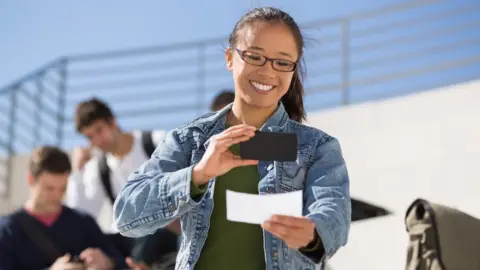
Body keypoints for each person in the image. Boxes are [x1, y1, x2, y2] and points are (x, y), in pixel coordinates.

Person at [113, 7, 351, 270]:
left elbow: (334, 212)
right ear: (229, 58)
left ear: (293, 69)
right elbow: (126, 215)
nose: (267, 70)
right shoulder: (189, 140)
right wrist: (198, 175)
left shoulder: (317, 148)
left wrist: (313, 231)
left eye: (282, 62)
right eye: (254, 56)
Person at [65, 98, 180, 268]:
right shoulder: (98, 168)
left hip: (161, 231)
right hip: (125, 239)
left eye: (99, 130)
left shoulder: (155, 142)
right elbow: (80, 215)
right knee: (88, 252)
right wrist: (76, 171)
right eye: (89, 136)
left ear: (112, 122)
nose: (97, 140)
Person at [0, 146, 127, 270]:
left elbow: (121, 263)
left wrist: (107, 263)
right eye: (49, 188)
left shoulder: (83, 222)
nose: (56, 195)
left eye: (63, 188)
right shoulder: (7, 230)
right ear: (31, 179)